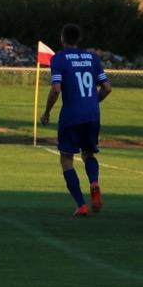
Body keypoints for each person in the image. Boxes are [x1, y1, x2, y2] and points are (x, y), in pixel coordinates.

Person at [40, 24, 111, 217]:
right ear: (78, 39)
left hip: (71, 116)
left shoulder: (59, 58)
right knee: (88, 154)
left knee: (66, 159)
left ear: (62, 38)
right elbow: (107, 88)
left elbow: (56, 88)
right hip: (92, 115)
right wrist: (92, 101)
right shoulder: (92, 58)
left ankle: (81, 205)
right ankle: (94, 183)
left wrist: (46, 112)